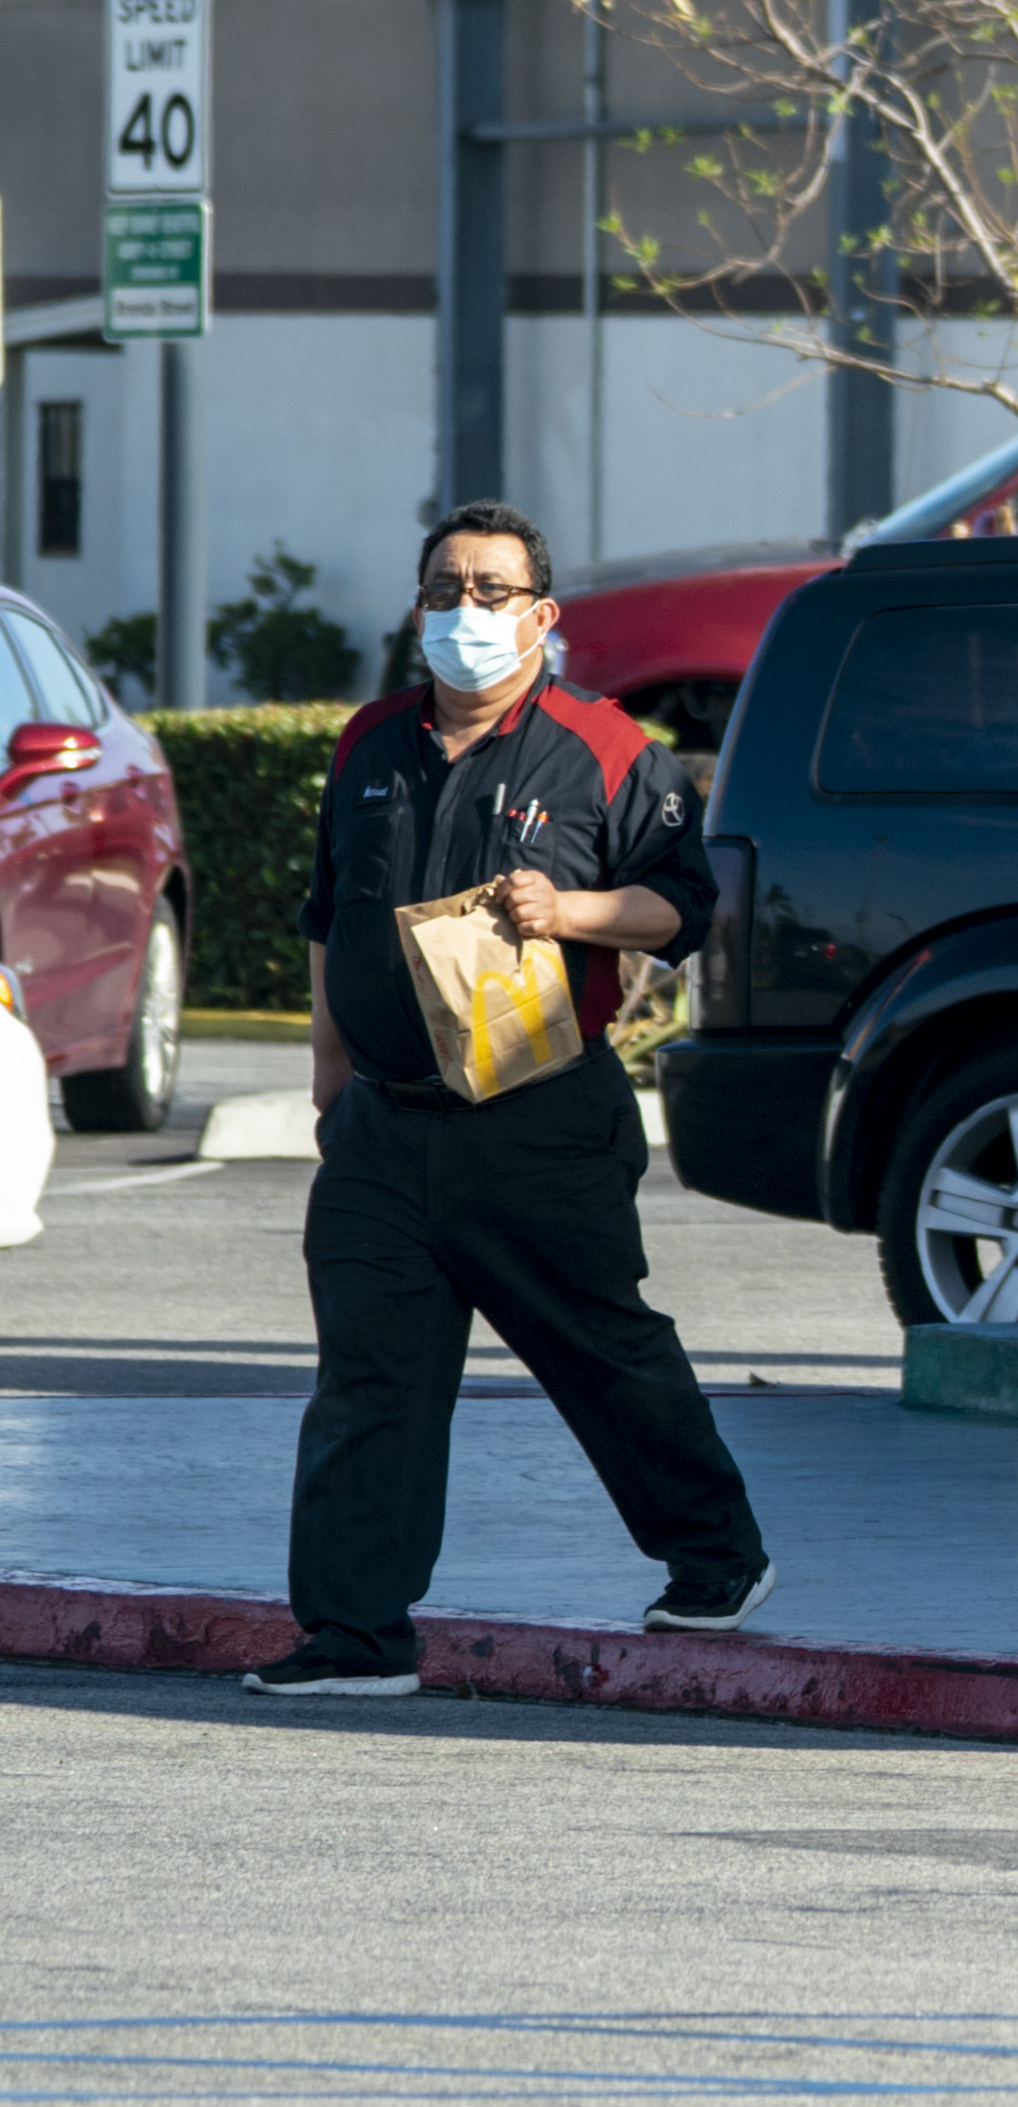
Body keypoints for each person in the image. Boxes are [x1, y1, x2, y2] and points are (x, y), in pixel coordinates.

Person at [241, 503, 770, 1700]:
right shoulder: (368, 741)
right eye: (445, 588)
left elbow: (684, 907)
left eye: (491, 590)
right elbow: (332, 916)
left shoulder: (605, 744)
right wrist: (331, 1079)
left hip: (537, 1115)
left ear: (543, 614)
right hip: (384, 1125)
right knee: (368, 1380)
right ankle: (355, 1636)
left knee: (601, 1350)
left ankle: (715, 1557)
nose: (465, 611)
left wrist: (572, 910)